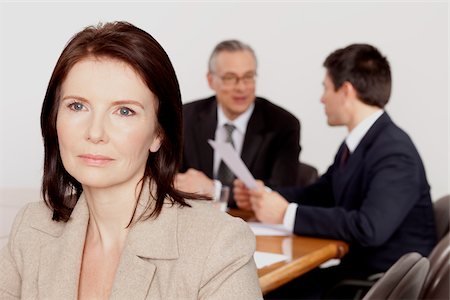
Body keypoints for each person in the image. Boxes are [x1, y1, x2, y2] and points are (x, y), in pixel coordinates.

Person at [0, 22, 262, 299]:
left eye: (124, 111)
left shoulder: (218, 245)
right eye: (77, 106)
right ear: (54, 118)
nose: (95, 132)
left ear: (158, 134)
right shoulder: (31, 226)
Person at [234, 43, 437, 298]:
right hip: (358, 274)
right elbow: (322, 192)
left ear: (346, 91)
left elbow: (368, 228)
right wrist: (266, 194)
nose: (322, 98)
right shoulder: (360, 143)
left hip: (380, 285)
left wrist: (286, 214)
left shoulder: (394, 152)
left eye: (325, 88)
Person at [175, 40, 302, 207]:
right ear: (211, 80)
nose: (241, 87)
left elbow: (281, 192)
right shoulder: (185, 117)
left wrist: (216, 191)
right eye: (230, 78)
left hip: (251, 225)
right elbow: (172, 179)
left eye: (248, 77)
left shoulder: (283, 124)